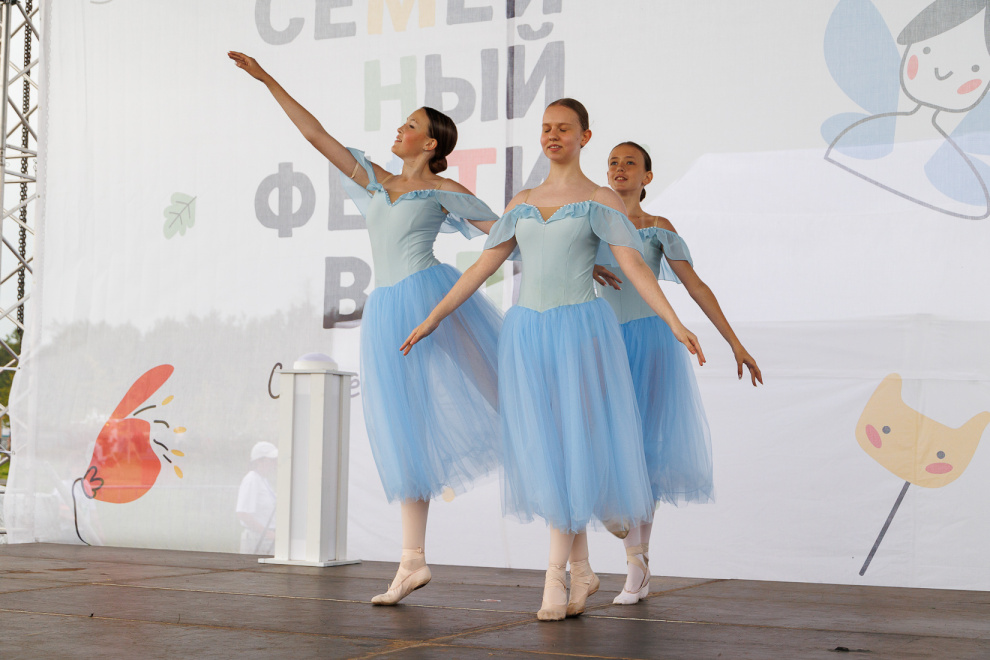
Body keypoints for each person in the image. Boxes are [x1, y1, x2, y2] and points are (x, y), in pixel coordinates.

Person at [401, 99, 704, 621]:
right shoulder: (522, 202)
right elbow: (483, 267)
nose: (552, 136)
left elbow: (634, 266)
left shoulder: (598, 200)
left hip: (579, 331)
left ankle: (554, 577)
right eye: (546, 128)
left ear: (584, 137)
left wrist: (675, 323)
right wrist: (434, 317)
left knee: (570, 443)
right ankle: (580, 569)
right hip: (526, 333)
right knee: (547, 449)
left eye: (564, 128)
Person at [228, 52, 503, 605]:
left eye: (410, 125)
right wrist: (267, 79)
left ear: (430, 144)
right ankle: (412, 561)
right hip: (388, 309)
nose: (399, 130)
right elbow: (315, 135)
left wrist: (576, 260)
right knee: (407, 430)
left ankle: (582, 493)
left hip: (432, 293)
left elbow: (505, 234)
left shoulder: (444, 191)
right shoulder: (374, 180)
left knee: (499, 393)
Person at [596, 141, 762, 605]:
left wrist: (734, 341)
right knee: (599, 435)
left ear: (647, 177)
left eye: (630, 163)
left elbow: (696, 286)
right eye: (613, 162)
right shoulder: (593, 222)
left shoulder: (657, 228)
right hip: (602, 340)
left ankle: (637, 565)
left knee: (645, 450)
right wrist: (587, 266)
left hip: (650, 341)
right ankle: (612, 512)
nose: (620, 168)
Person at [236, 441, 278, 555]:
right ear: (259, 461)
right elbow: (243, 513)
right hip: (256, 539)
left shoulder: (263, 480)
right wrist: (267, 533)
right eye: (271, 460)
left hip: (266, 539)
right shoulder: (251, 479)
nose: (275, 463)